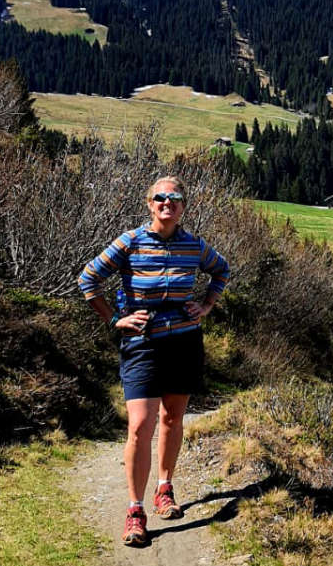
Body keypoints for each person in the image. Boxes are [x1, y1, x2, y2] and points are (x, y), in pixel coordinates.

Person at [78, 175, 230, 547]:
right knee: (140, 426)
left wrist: (206, 305)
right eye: (160, 197)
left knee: (173, 418)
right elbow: (88, 279)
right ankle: (135, 510)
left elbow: (221, 271)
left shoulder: (194, 246)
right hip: (142, 344)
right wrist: (115, 319)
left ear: (183, 206)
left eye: (175, 198)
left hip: (183, 342)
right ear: (149, 203)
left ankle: (165, 488)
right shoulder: (130, 242)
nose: (168, 203)